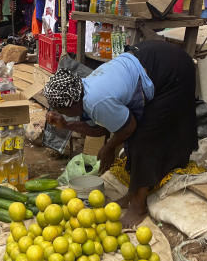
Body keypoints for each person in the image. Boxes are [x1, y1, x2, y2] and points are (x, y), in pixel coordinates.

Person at [43, 40, 197, 227]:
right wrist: (66, 125)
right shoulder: (83, 91)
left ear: (70, 104)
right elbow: (102, 128)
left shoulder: (96, 101)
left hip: (172, 69)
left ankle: (138, 206)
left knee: (142, 138)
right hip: (151, 58)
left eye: (60, 109)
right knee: (132, 137)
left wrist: (108, 148)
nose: (58, 112)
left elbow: (128, 127)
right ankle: (133, 194)